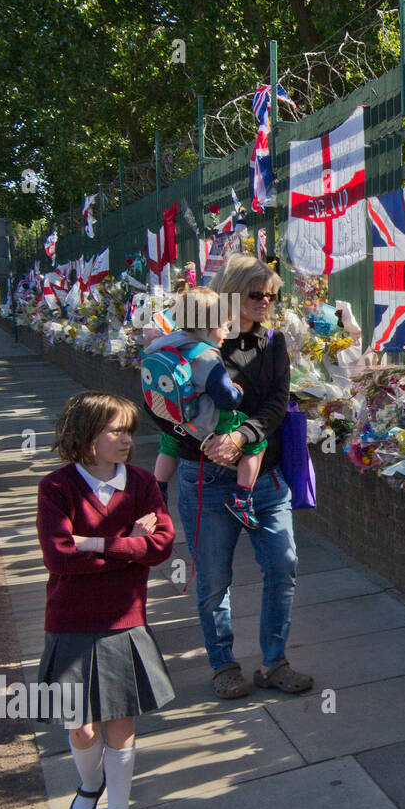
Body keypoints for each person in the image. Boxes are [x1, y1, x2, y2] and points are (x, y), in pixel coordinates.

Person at [161, 253, 313, 700]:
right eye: (256, 294)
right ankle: (223, 664)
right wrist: (200, 435)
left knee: (283, 564)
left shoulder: (272, 343)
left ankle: (274, 662)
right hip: (205, 477)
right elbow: (160, 401)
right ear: (231, 292)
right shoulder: (191, 340)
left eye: (271, 294)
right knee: (212, 579)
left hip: (264, 476)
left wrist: (242, 436)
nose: (266, 301)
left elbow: (276, 403)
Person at [37, 393, 175, 809]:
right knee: (80, 727)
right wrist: (124, 548)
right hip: (71, 622)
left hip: (124, 622)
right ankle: (88, 786)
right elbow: (59, 557)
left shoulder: (141, 484)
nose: (126, 440)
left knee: (120, 722)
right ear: (86, 435)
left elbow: (159, 548)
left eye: (129, 431)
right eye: (115, 430)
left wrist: (92, 543)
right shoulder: (56, 488)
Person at [144, 285, 267, 529]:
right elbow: (225, 399)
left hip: (174, 417)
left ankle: (158, 490)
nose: (226, 332)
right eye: (223, 326)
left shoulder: (166, 343)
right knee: (258, 443)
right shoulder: (208, 357)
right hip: (206, 422)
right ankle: (242, 499)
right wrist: (237, 391)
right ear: (205, 328)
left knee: (168, 446)